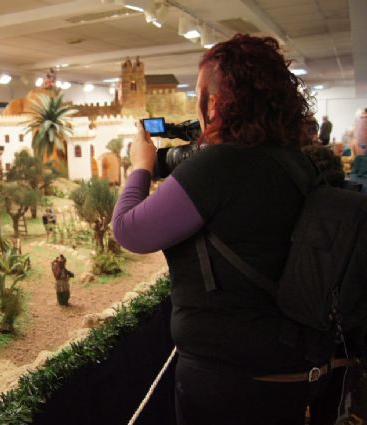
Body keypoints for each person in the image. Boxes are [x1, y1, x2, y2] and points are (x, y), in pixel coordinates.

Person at [112, 34, 337, 425]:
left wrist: (140, 167)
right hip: (293, 366)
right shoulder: (292, 161)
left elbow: (129, 231)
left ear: (214, 103)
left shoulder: (220, 165)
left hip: (231, 381)